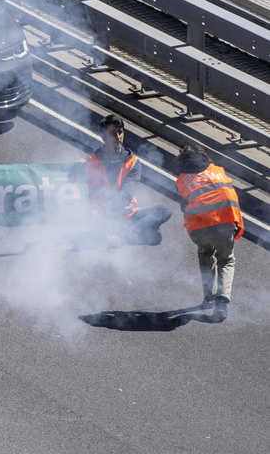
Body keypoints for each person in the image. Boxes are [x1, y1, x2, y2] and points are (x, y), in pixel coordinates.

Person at [76, 114, 172, 246]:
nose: (118, 137)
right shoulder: (90, 161)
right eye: (113, 133)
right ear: (103, 137)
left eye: (120, 132)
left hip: (126, 215)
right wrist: (75, 168)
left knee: (164, 211)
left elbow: (126, 196)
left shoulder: (133, 163)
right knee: (153, 236)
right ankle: (132, 233)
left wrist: (102, 210)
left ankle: (121, 237)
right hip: (102, 218)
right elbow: (74, 188)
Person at [176, 145, 244, 322]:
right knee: (226, 259)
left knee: (205, 252)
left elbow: (184, 204)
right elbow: (231, 196)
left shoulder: (183, 180)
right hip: (224, 222)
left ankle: (208, 296)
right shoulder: (218, 172)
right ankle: (221, 302)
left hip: (199, 227)